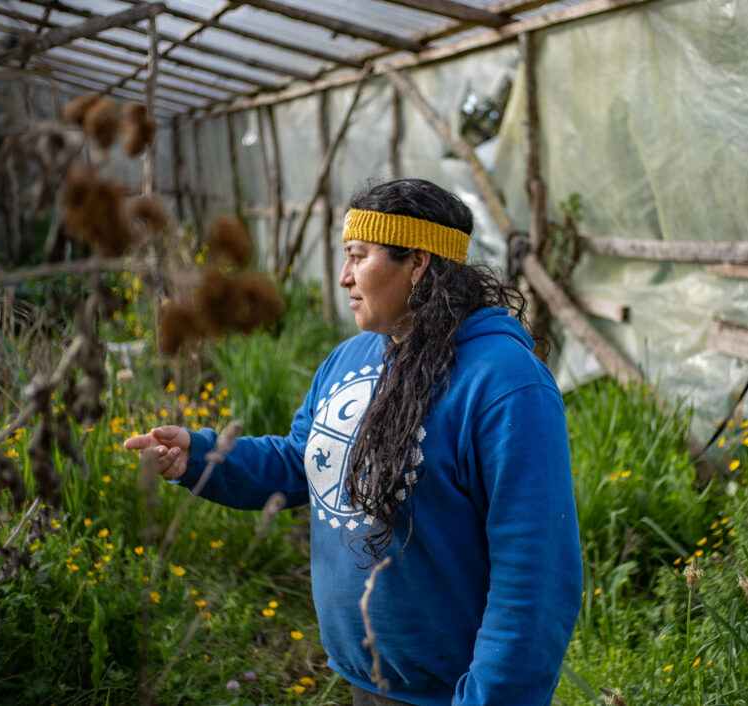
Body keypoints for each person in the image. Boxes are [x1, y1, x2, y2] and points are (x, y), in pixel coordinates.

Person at [124, 178, 583, 705]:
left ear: (417, 263)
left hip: (454, 693)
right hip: (362, 677)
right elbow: (304, 462)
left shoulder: (504, 384)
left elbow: (535, 572)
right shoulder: (351, 359)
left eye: (358, 256)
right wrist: (202, 457)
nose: (343, 277)